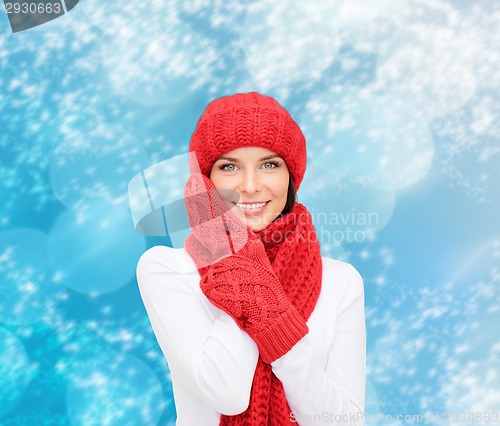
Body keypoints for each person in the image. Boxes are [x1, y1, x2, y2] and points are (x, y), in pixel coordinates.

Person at [136, 92, 366, 425]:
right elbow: (226, 393)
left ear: (291, 176)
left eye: (269, 164)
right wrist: (242, 270)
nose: (250, 185)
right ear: (205, 179)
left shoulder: (341, 281)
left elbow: (343, 422)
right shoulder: (167, 269)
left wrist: (273, 320)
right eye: (229, 166)